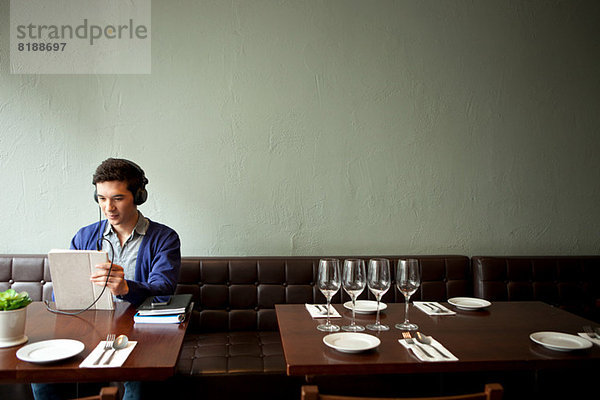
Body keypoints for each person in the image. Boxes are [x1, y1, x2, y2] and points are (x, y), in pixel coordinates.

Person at [32, 158, 181, 400]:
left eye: (117, 198)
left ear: (138, 196)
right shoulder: (84, 236)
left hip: (140, 335)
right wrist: (66, 290)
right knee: (42, 377)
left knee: (139, 385)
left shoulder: (164, 238)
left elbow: (164, 291)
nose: (108, 207)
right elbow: (62, 296)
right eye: (101, 198)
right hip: (88, 331)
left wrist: (125, 288)